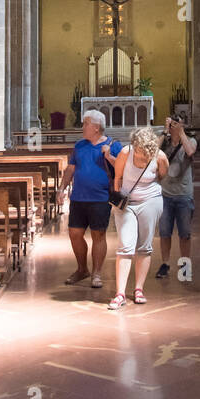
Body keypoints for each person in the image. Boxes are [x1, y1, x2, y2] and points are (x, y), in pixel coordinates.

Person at [57, 109, 123, 289]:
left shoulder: (113, 145)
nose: (82, 126)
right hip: (79, 197)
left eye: (85, 123)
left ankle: (97, 273)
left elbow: (123, 169)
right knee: (74, 234)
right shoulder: (79, 145)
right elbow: (70, 169)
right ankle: (82, 269)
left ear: (96, 127)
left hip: (100, 197)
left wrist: (109, 155)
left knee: (98, 235)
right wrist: (62, 188)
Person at [108, 127, 168, 309]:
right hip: (127, 203)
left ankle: (139, 289)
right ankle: (120, 294)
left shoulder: (160, 156)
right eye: (139, 152)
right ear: (134, 145)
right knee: (125, 245)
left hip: (150, 201)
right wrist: (119, 201)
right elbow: (117, 178)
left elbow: (161, 176)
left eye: (145, 153)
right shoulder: (126, 153)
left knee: (144, 246)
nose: (142, 157)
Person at [155, 115, 197, 280]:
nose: (174, 126)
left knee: (184, 233)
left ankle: (185, 266)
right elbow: (153, 152)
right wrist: (165, 132)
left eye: (177, 123)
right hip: (165, 194)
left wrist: (181, 132)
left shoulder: (191, 140)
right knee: (165, 232)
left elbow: (190, 151)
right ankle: (165, 264)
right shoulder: (164, 142)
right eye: (172, 123)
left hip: (184, 195)